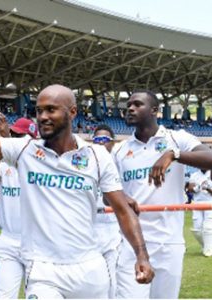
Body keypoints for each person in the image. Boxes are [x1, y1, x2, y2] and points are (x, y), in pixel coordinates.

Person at [0, 44, 153, 298]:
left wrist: (141, 255)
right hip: (44, 272)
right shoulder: (23, 150)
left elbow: (123, 210)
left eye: (51, 110)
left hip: (90, 270)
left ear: (73, 112)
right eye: (39, 110)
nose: (43, 116)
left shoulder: (97, 156)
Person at [113, 89, 212, 299]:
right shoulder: (120, 149)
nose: (130, 108)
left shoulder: (177, 138)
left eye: (137, 104)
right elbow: (109, 192)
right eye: (128, 105)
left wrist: (174, 155)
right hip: (130, 243)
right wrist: (122, 198)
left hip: (169, 242)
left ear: (155, 110)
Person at [0, 113, 37, 298]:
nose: (14, 139)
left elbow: (25, 164)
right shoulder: (4, 163)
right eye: (12, 135)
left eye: (18, 136)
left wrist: (7, 145)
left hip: (35, 243)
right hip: (8, 241)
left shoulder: (40, 163)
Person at [92, 124, 124, 298]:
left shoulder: (119, 163)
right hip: (90, 231)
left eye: (105, 140)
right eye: (97, 140)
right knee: (93, 283)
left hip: (112, 230)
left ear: (113, 143)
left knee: (113, 281)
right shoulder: (84, 163)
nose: (101, 143)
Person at [186, 169, 212, 257]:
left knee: (208, 227)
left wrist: (207, 188)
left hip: (210, 202)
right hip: (197, 203)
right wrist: (198, 187)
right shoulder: (194, 175)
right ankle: (205, 246)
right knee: (197, 228)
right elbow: (190, 189)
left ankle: (208, 250)